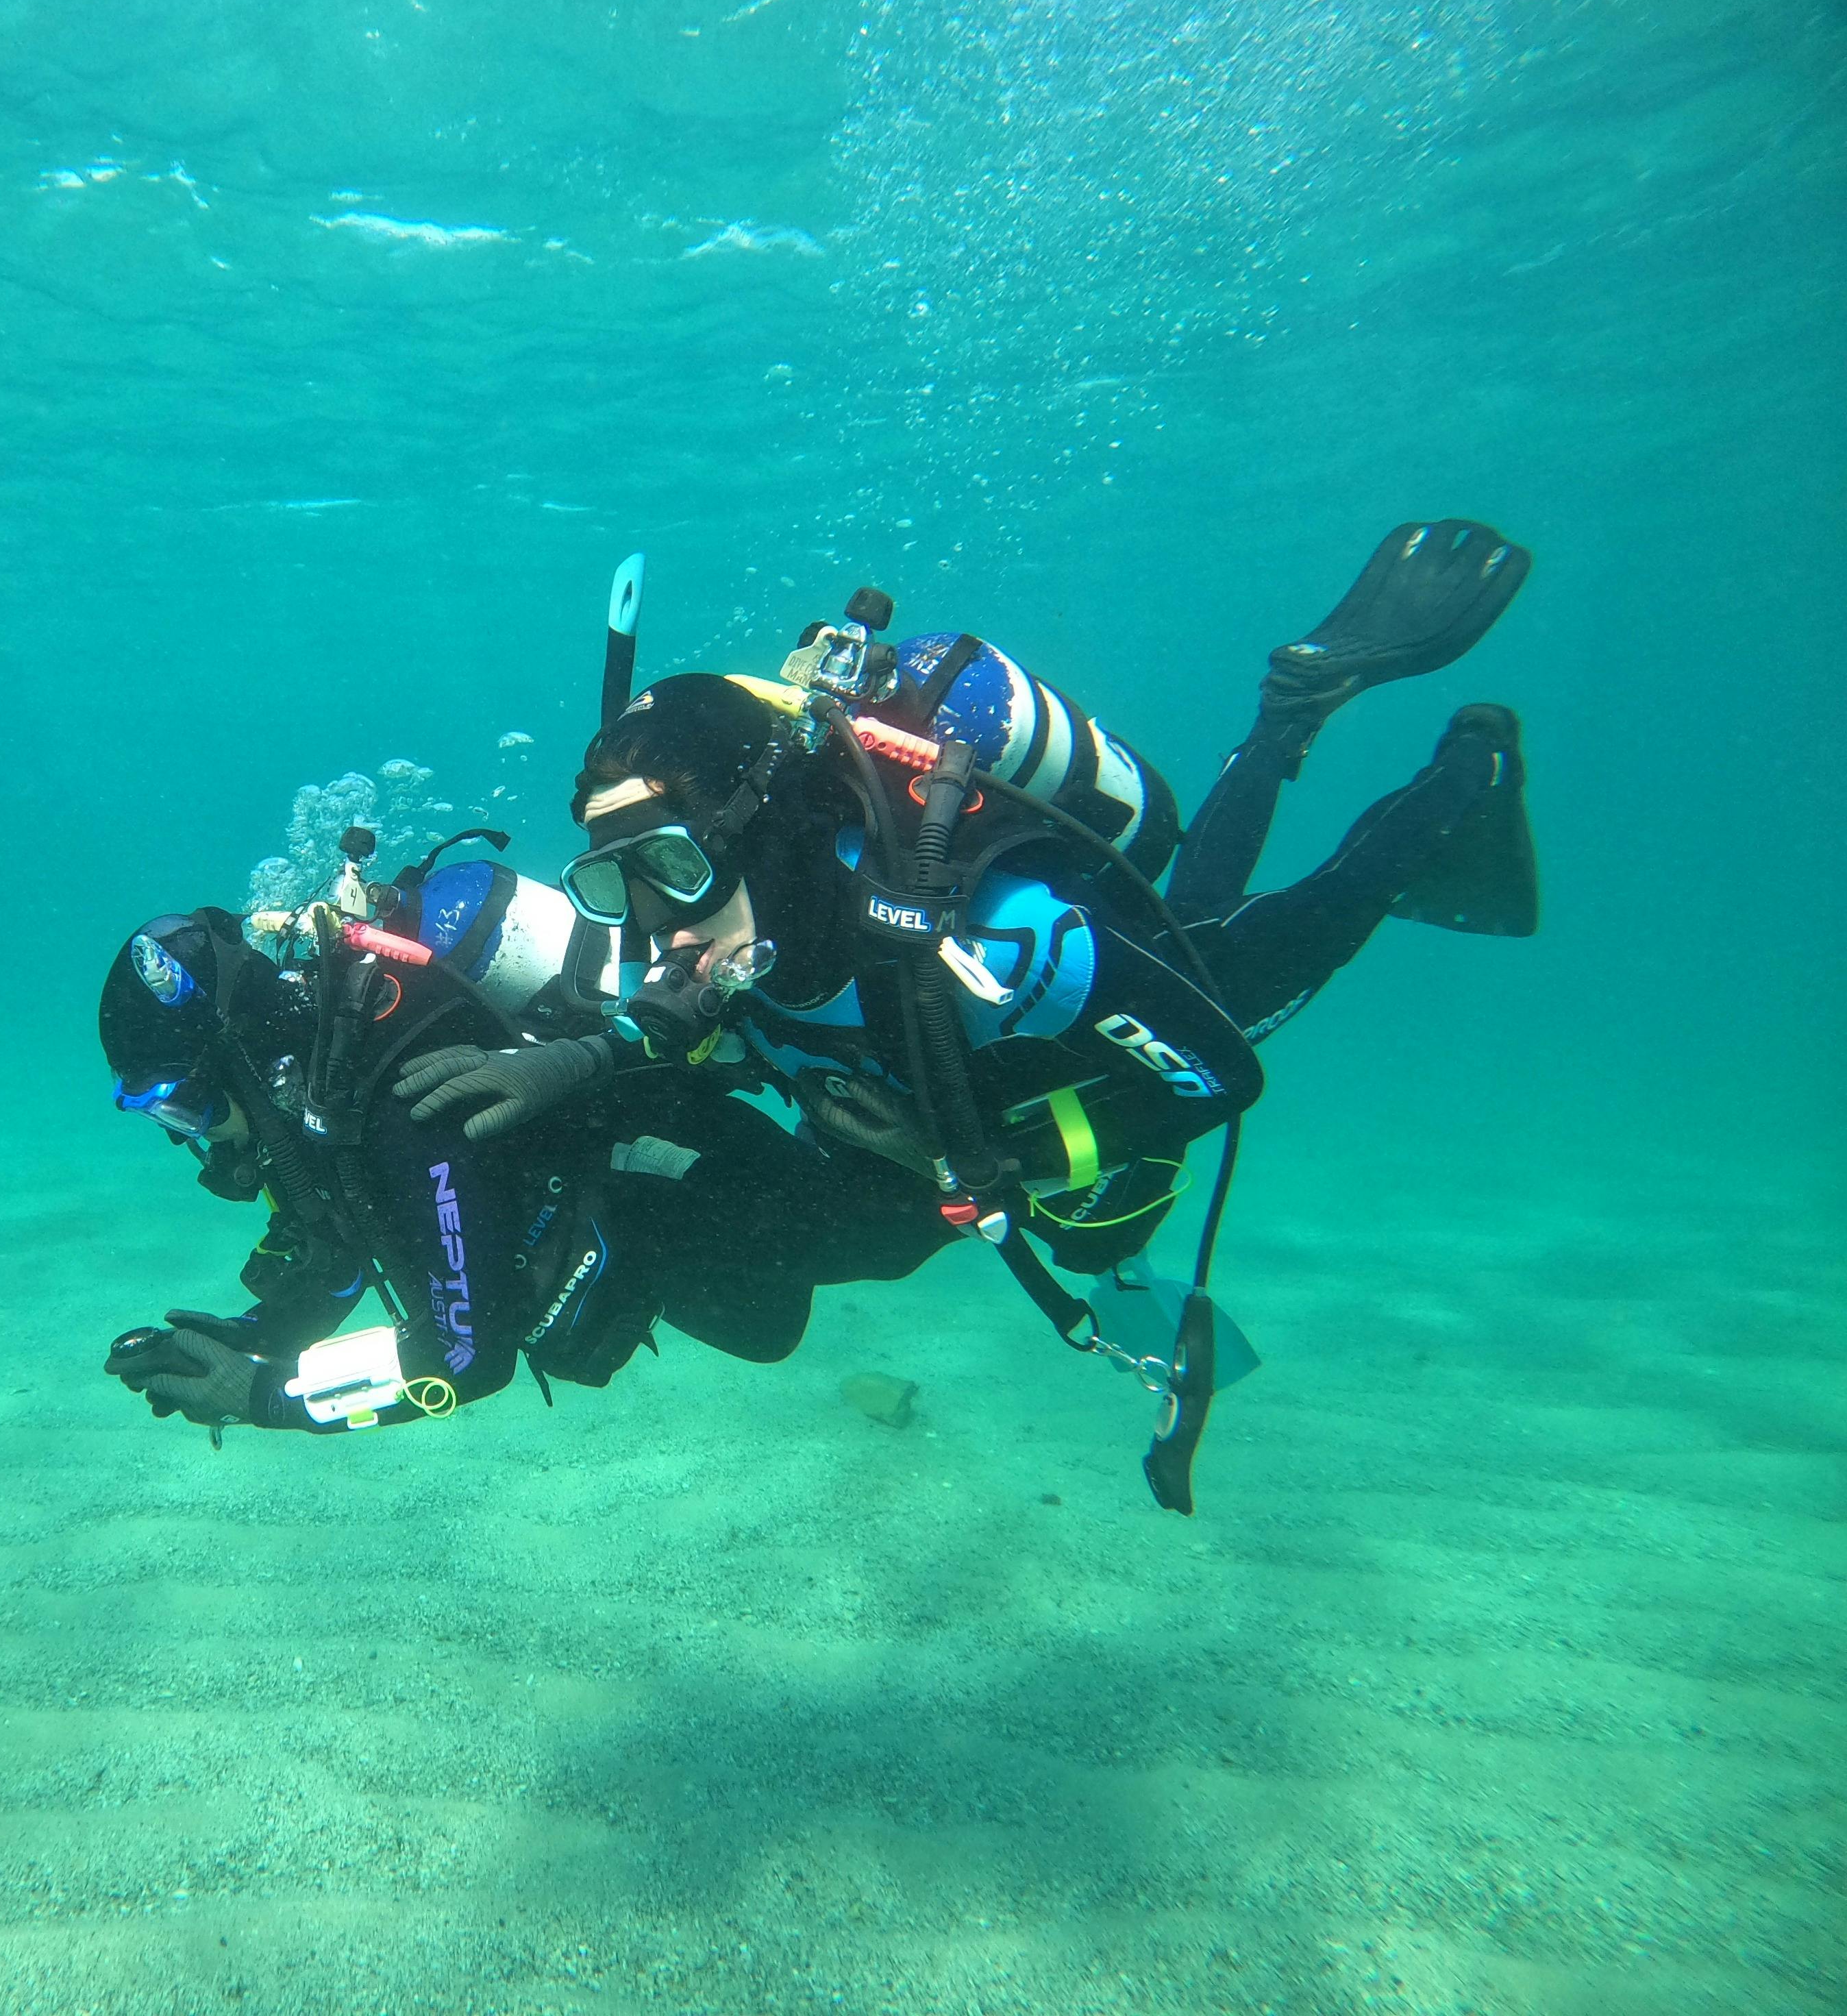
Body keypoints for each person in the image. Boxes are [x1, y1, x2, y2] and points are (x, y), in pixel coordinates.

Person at [404, 519, 1538, 1288]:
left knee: (1244, 961)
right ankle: (1287, 715)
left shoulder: (1001, 942)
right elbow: (672, 1020)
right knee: (1197, 906)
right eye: (618, 884)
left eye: (676, 869)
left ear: (768, 834)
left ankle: (1465, 768)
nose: (658, 925)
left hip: (1093, 1017)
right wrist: (568, 1064)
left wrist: (1004, 1160)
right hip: (1037, 1021)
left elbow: (1218, 1077)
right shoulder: (730, 933)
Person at [94, 855, 937, 1437]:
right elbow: (337, 1252)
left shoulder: (406, 1108)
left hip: (715, 1174)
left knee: (898, 1225)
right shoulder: (320, 1101)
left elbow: (461, 1361)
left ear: (243, 1058)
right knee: (764, 1330)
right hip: (662, 1224)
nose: (195, 1138)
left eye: (184, 1105)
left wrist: (266, 1398)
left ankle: (970, 1137)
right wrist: (257, 1333)